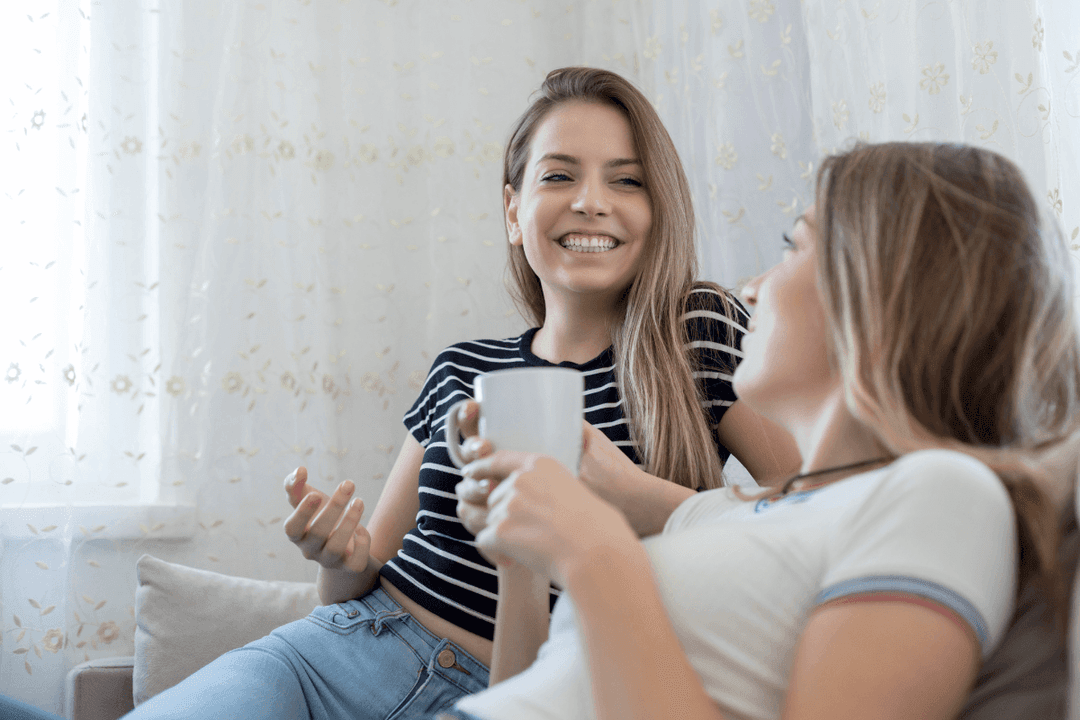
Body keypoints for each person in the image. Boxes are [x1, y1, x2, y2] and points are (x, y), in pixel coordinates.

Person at [102, 67, 795, 720]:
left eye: (626, 180)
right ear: (513, 209)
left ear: (658, 207)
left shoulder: (696, 332)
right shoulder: (461, 369)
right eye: (559, 174)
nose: (591, 200)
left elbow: (806, 514)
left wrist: (637, 500)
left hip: (524, 694)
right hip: (337, 653)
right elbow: (365, 569)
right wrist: (340, 558)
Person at [446, 141, 1080, 720]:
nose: (752, 286)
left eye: (792, 246)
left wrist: (593, 552)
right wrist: (524, 560)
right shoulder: (736, 511)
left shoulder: (946, 496)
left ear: (881, 288)